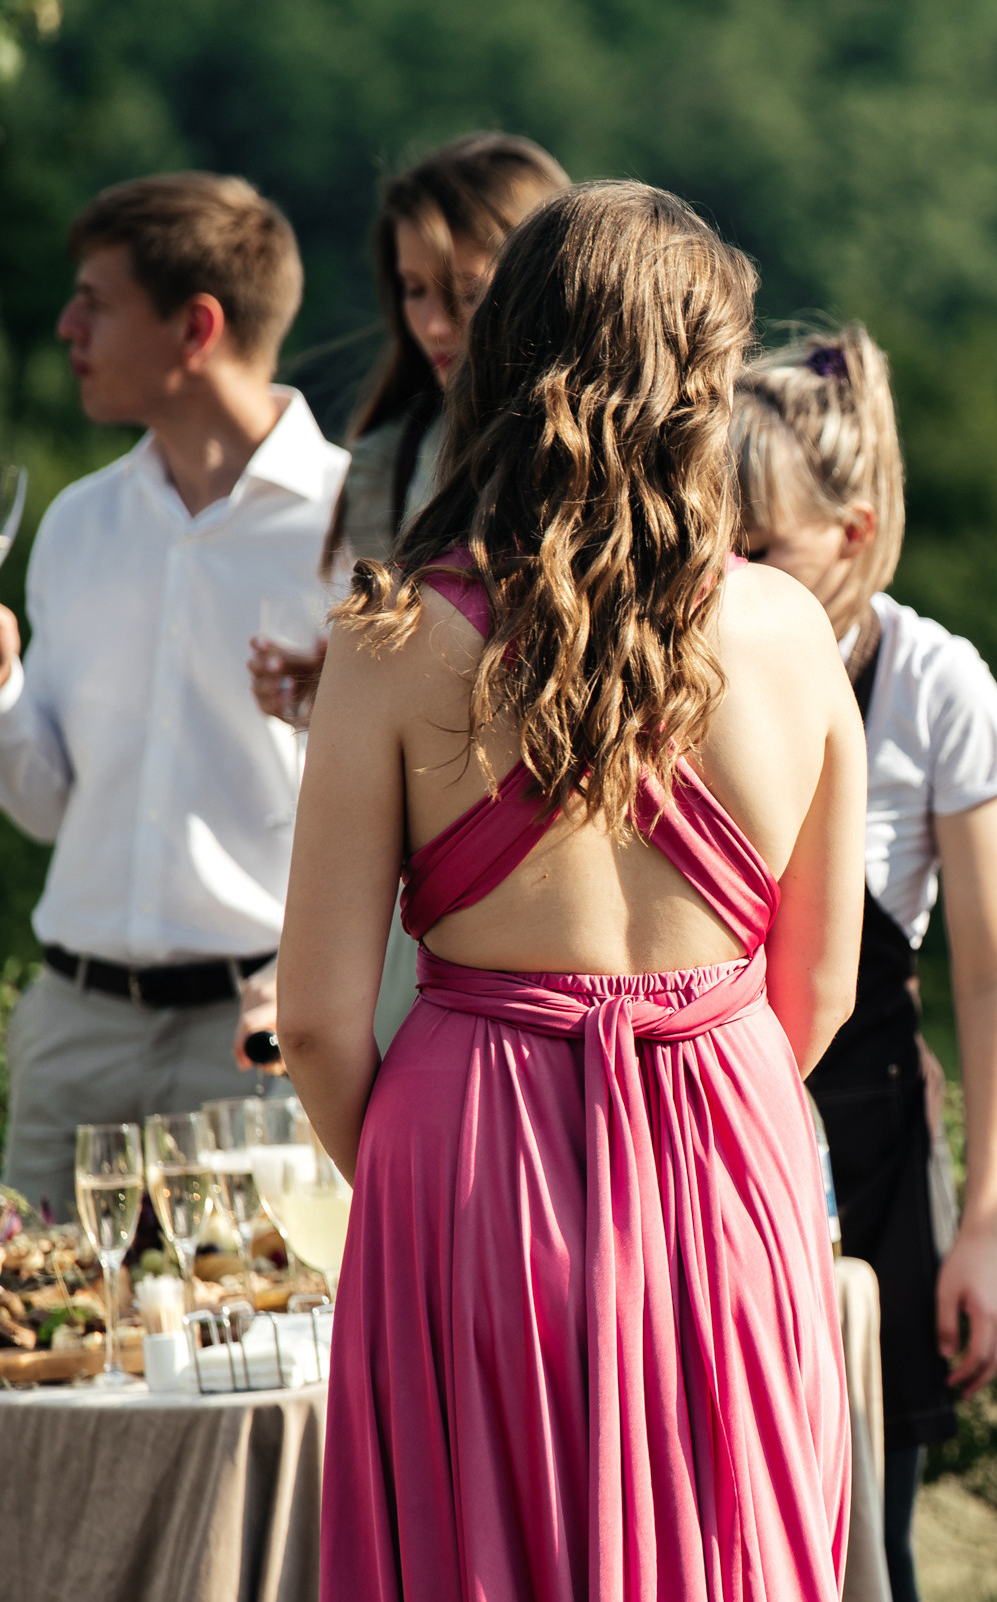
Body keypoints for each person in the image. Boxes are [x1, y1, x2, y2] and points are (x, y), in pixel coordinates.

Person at [279, 181, 864, 1600]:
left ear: (503, 363)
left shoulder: (393, 638)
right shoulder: (795, 633)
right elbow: (821, 988)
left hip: (469, 1169)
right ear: (701, 386)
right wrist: (695, 1128)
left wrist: (428, 1179)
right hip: (734, 1157)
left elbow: (314, 1020)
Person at [732, 325, 997, 1602]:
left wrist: (983, 1231)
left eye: (761, 548)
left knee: (870, 1539)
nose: (726, 571)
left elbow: (996, 980)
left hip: (871, 1147)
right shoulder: (685, 664)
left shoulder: (936, 685)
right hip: (713, 1137)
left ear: (853, 534)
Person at [0, 172, 337, 1220]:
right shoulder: (80, 524)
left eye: (96, 301)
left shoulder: (358, 530)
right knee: (33, 1312)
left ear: (196, 328)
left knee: (249, 1313)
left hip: (256, 1039)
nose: (67, 326)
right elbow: (52, 808)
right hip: (73, 1031)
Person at [248, 131, 569, 1054]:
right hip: (432, 876)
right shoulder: (386, 464)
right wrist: (338, 686)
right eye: (414, 291)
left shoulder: (606, 464)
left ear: (542, 286)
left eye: (464, 294)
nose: (433, 324)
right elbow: (417, 675)